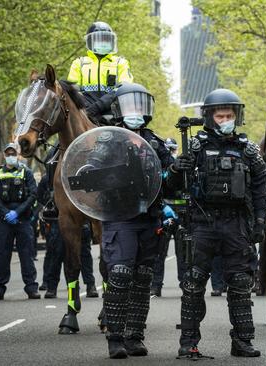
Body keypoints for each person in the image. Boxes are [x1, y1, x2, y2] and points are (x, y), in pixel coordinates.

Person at [169, 88, 266, 358]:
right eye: (220, 115)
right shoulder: (196, 148)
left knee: (240, 283)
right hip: (202, 223)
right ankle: (188, 342)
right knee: (193, 284)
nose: (225, 119)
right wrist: (178, 169)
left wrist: (260, 222)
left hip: (237, 225)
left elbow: (261, 189)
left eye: (229, 115)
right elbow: (171, 187)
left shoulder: (248, 151)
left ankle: (243, 341)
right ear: (210, 117)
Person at [82, 82, 174, 358]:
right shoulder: (109, 139)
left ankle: (135, 335)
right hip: (120, 217)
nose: (136, 111)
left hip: (149, 216)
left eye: (139, 106)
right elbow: (91, 171)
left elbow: (169, 178)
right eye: (130, 105)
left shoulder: (155, 142)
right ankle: (115, 337)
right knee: (120, 274)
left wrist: (177, 170)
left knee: (143, 278)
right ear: (119, 109)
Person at [0, 143, 39, 300]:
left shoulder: (26, 172)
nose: (10, 156)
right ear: (4, 155)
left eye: (13, 153)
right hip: (5, 219)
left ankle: (31, 287)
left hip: (22, 217)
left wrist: (17, 212)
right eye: (8, 153)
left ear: (17, 154)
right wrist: (6, 213)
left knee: (26, 254)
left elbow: (33, 195)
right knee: (2, 254)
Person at [67, 21, 133, 124]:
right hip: (84, 112)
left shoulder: (121, 63)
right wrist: (87, 109)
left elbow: (123, 89)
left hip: (113, 114)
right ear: (90, 41)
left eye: (106, 40)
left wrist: (97, 107)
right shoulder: (79, 63)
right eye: (99, 39)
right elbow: (73, 91)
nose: (103, 42)